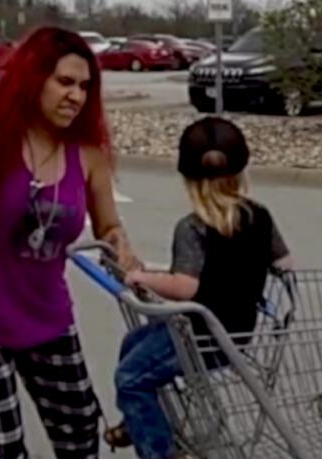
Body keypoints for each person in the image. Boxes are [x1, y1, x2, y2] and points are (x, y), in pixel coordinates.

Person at [0, 26, 140, 459]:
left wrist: (127, 258)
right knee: (2, 446)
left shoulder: (88, 155)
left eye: (84, 87)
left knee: (80, 433)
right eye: (65, 82)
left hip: (45, 317)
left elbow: (109, 227)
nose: (76, 96)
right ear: (36, 79)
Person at [104, 117, 293, 459]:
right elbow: (284, 262)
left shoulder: (193, 228)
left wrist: (142, 277)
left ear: (188, 179)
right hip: (236, 334)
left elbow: (185, 287)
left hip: (198, 338)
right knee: (133, 342)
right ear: (240, 172)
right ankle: (138, 420)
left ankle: (159, 450)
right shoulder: (260, 216)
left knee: (129, 378)